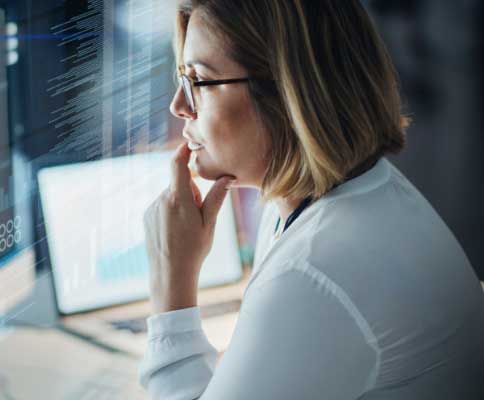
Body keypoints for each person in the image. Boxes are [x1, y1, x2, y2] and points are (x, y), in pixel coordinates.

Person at [139, 1, 484, 399]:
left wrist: (171, 284)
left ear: (286, 94)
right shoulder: (338, 196)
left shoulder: (312, 270)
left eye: (199, 80)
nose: (179, 106)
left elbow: (305, 298)